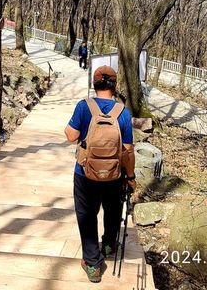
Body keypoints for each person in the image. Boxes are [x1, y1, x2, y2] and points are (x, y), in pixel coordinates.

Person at [65, 65, 136, 283]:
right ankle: (109, 244)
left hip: (85, 172)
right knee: (113, 210)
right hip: (115, 174)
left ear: (94, 85)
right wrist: (131, 177)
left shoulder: (84, 107)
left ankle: (93, 264)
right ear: (114, 87)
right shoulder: (123, 112)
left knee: (86, 216)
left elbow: (70, 136)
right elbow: (128, 151)